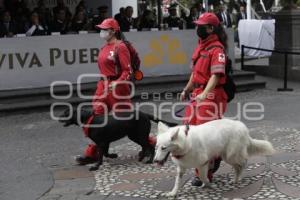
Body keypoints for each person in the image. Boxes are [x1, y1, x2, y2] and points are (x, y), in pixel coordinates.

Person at [75, 18, 133, 165]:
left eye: (104, 29)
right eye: (101, 29)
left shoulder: (121, 47)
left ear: (113, 31)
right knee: (95, 119)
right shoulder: (104, 48)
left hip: (117, 88)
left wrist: (117, 82)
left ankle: (150, 144)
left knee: (128, 120)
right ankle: (93, 153)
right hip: (103, 86)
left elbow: (128, 71)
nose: (101, 31)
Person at [180, 12, 228, 187]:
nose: (197, 28)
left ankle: (205, 174)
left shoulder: (217, 50)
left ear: (210, 28)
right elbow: (195, 73)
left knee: (204, 137)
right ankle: (211, 161)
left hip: (211, 96)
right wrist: (187, 89)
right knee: (190, 132)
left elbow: (215, 76)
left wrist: (203, 95)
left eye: (200, 26)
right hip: (198, 94)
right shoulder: (201, 47)